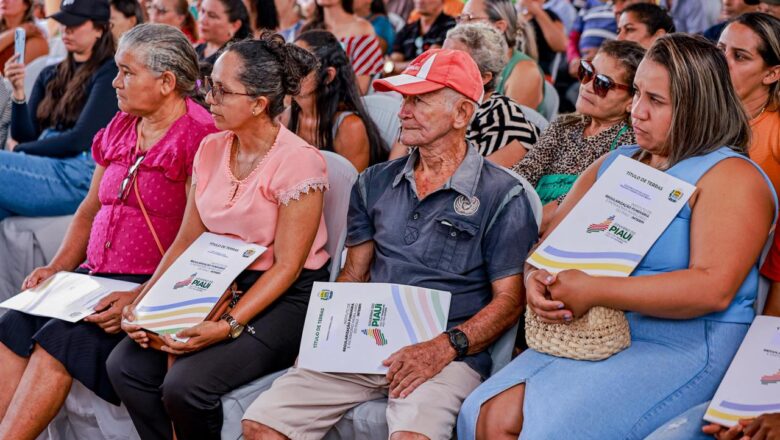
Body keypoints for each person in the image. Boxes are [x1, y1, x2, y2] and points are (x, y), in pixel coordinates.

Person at [457, 33, 777, 440]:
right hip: (597, 332)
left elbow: (712, 289)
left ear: (698, 106)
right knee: (484, 413)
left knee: (550, 430)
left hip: (684, 343)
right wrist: (534, 279)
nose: (636, 112)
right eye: (637, 94)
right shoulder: (615, 163)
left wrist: (594, 290)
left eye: (656, 101)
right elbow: (546, 249)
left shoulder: (732, 176)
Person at [241, 47, 538, 440]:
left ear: (462, 114)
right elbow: (354, 273)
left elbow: (510, 300)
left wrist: (444, 347)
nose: (403, 112)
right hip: (366, 341)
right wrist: (324, 340)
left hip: (447, 352)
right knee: (260, 425)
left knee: (410, 437)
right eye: (404, 99)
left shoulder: (504, 195)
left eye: (420, 100)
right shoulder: (374, 182)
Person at [106, 32, 331, 440]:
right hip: (216, 278)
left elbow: (287, 267)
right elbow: (187, 238)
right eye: (211, 86)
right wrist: (143, 301)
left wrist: (227, 325)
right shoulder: (211, 147)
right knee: (125, 365)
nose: (209, 99)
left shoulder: (299, 162)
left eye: (223, 92)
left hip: (282, 294)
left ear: (260, 104)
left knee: (185, 386)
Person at [0, 24, 216, 440]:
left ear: (167, 82)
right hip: (93, 277)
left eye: (126, 72)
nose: (115, 81)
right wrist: (58, 267)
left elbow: (196, 238)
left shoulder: (199, 137)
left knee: (59, 340)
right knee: (13, 324)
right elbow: (89, 210)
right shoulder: (122, 124)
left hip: (148, 284)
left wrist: (141, 296)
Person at [0, 0, 117, 221]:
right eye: (63, 23)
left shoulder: (109, 74)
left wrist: (20, 150)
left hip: (78, 172)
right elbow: (27, 135)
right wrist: (17, 93)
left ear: (100, 29)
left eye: (75, 24)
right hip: (44, 164)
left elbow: (81, 139)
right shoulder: (50, 73)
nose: (66, 30)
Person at [512, 39, 642, 231]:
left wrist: (515, 227)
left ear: (631, 101)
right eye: (587, 73)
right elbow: (524, 174)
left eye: (603, 84)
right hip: (523, 219)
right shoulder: (564, 125)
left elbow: (576, 204)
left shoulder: (628, 143)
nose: (587, 86)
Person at [443, 23, 539, 167]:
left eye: (455, 63)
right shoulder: (435, 102)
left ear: (484, 77)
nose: (440, 66)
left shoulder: (504, 117)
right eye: (441, 56)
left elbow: (481, 184)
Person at [290, 30, 387, 171]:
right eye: (288, 61)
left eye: (301, 65)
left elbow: (351, 189)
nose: (289, 71)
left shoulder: (349, 127)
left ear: (328, 76)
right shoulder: (285, 117)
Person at [459, 0, 544, 111]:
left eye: (470, 18)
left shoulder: (526, 71)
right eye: (460, 18)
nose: (460, 26)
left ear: (499, 27)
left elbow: (509, 125)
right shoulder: (470, 61)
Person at [300, 0, 384, 95]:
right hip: (306, 102)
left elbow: (359, 89)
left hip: (343, 105)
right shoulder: (308, 29)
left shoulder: (362, 29)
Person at [388, 0, 456, 74]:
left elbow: (429, 62)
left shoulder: (451, 27)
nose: (420, 1)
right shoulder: (406, 30)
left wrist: (396, 67)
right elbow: (394, 60)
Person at [195, 0, 250, 65]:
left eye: (212, 16)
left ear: (235, 26)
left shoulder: (234, 61)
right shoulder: (196, 49)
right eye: (202, 11)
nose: (202, 20)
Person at [0, 0, 48, 72]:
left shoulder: (35, 40)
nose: (3, 0)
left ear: (26, 5)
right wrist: (17, 31)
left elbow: (22, 79)